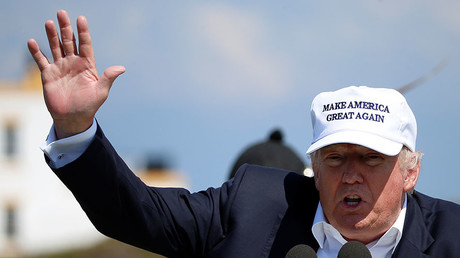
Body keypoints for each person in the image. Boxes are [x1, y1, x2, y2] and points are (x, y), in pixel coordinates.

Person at [28, 10, 460, 258]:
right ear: (312, 165)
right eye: (335, 158)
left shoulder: (452, 236)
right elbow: (136, 212)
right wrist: (75, 127)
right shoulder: (250, 205)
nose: (350, 174)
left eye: (370, 159)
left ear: (411, 171)